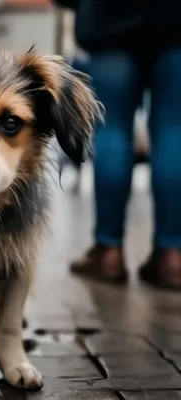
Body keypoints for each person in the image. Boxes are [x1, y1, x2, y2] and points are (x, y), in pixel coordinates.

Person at [55, 0, 181, 290]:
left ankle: (108, 251)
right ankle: (172, 254)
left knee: (111, 131)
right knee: (175, 131)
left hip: (110, 24)